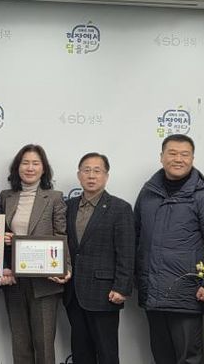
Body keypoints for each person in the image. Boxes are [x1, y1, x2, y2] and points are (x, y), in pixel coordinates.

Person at [134, 134, 204, 364]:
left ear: (192, 159)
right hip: (154, 294)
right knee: (161, 357)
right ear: (161, 157)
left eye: (185, 154)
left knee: (189, 359)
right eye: (172, 153)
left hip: (188, 295)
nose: (178, 159)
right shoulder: (148, 194)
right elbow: (136, 238)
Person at [0, 144, 69, 364]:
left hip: (45, 281)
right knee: (20, 344)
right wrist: (3, 246)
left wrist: (65, 267)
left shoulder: (54, 197)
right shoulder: (6, 196)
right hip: (14, 280)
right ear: (17, 167)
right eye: (25, 163)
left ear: (43, 168)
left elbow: (61, 235)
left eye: (35, 163)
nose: (30, 168)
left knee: (44, 344)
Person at [63, 152, 134, 364]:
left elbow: (126, 251)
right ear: (79, 175)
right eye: (86, 170)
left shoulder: (120, 208)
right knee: (80, 352)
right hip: (73, 293)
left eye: (97, 171)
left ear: (106, 176)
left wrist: (122, 287)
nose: (91, 175)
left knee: (106, 352)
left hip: (105, 293)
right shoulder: (68, 206)